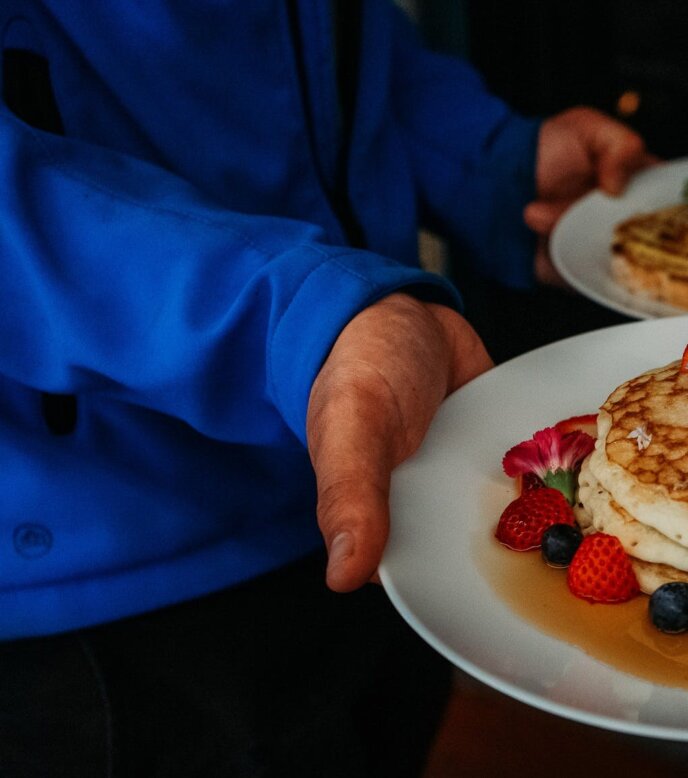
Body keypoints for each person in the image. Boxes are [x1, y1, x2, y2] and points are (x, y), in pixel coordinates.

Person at [0, 1, 653, 775]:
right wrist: (298, 319)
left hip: (382, 479)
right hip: (115, 593)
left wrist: (491, 162)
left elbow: (330, 38)